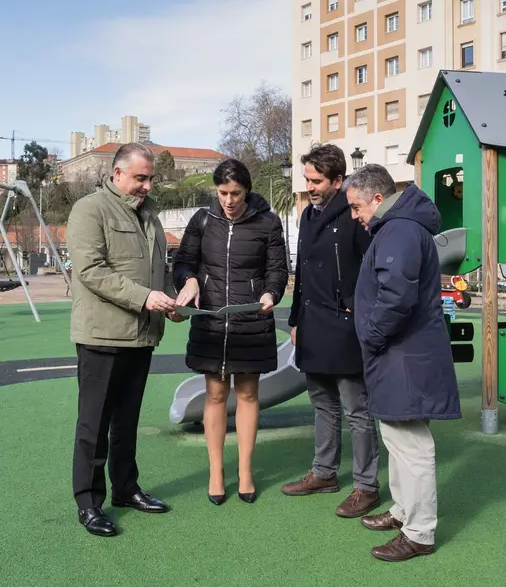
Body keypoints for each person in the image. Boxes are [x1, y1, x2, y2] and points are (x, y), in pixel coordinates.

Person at [344, 164, 461, 562]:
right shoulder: (400, 227)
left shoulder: (400, 229)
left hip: (403, 353)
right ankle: (402, 511)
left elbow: (396, 298)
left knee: (410, 444)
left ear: (378, 199)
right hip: (401, 352)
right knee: (397, 436)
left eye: (357, 207)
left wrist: (372, 336)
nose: (356, 216)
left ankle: (420, 532)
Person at [66, 143, 177, 538]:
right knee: (93, 425)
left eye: (150, 178)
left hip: (142, 335)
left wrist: (171, 299)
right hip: (102, 335)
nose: (147, 185)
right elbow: (91, 270)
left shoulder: (151, 216)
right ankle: (88, 503)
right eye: (140, 178)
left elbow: (158, 271)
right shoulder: (89, 209)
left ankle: (126, 490)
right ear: (117, 174)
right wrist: (145, 297)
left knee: (126, 422)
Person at [171, 159, 288, 505]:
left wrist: (271, 293)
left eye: (236, 193)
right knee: (216, 394)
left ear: (247, 191)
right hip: (211, 322)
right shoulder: (202, 221)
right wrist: (188, 280)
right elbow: (182, 263)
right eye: (223, 192)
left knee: (249, 394)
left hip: (251, 321)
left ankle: (246, 471)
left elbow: (277, 270)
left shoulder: (268, 222)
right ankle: (216, 471)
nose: (229, 200)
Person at [280, 144, 381, 519]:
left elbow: (374, 262)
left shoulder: (354, 214)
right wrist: (294, 320)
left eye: (316, 180)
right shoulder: (306, 216)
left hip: (345, 325)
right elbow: (302, 274)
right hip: (312, 323)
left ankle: (366, 486)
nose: (309, 186)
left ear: (338, 181)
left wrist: (358, 302)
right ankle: (323, 473)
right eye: (306, 179)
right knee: (322, 403)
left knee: (357, 409)